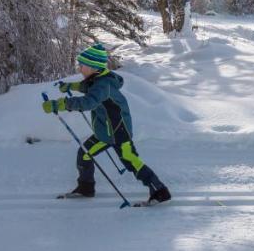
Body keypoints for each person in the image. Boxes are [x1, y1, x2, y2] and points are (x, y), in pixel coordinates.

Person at [42, 42, 171, 204]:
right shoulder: (98, 80)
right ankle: (86, 187)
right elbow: (87, 87)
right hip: (104, 132)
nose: (79, 69)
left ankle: (160, 191)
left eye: (82, 66)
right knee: (84, 154)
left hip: (118, 132)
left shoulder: (103, 84)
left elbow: (89, 101)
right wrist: (70, 86)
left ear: (93, 67)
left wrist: (59, 104)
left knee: (131, 161)